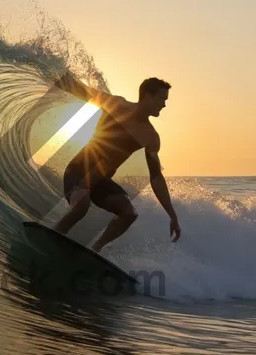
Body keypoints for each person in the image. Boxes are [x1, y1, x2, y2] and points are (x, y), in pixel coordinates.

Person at [53, 75, 181, 252]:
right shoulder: (117, 105)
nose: (164, 105)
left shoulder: (150, 136)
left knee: (129, 214)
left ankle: (95, 250)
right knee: (81, 206)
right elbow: (84, 91)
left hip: (100, 181)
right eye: (162, 99)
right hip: (78, 170)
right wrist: (50, 72)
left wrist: (172, 215)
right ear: (147, 96)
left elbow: (156, 177)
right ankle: (54, 235)